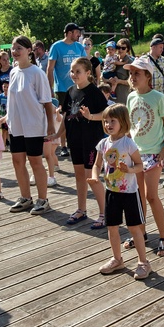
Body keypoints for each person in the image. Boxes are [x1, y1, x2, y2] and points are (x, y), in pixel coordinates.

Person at [83, 58, 164, 255]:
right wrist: (92, 117)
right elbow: (121, 121)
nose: (132, 77)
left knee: (151, 196)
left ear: (148, 76)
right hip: (134, 153)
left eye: (137, 74)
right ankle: (140, 233)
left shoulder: (158, 97)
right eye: (131, 74)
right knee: (138, 197)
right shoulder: (131, 97)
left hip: (154, 152)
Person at [90, 104, 152, 280]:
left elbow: (140, 165)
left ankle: (143, 262)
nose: (108, 124)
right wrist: (95, 178)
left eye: (112, 121)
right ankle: (117, 259)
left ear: (123, 122)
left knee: (134, 228)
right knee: (112, 227)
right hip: (111, 192)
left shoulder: (128, 143)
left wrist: (129, 170)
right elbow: (96, 165)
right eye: (106, 121)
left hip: (130, 192)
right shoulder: (103, 143)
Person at [48, 57, 108, 228]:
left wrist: (91, 117)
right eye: (72, 71)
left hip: (91, 141)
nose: (74, 74)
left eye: (78, 71)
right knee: (79, 176)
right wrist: (58, 135)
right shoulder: (70, 91)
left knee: (92, 178)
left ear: (88, 73)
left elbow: (106, 113)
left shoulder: (94, 92)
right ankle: (81, 209)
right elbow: (67, 116)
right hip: (75, 140)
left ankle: (104, 213)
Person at [3, 36, 55, 215]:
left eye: (19, 48)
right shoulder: (13, 71)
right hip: (16, 125)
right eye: (13, 48)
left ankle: (43, 199)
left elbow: (47, 102)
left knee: (35, 161)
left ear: (28, 51)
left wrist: (50, 126)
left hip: (33, 124)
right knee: (17, 161)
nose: (15, 52)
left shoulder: (37, 73)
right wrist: (6, 118)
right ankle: (25, 197)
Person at [107, 38, 134, 105]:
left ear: (127, 49)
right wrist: (108, 80)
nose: (120, 50)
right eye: (118, 47)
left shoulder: (130, 62)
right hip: (109, 96)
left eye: (123, 48)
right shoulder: (111, 58)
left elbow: (132, 81)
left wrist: (119, 81)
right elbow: (102, 76)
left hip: (123, 97)